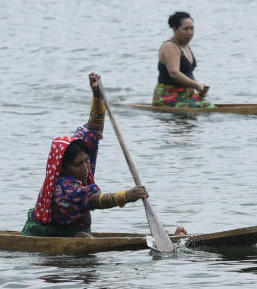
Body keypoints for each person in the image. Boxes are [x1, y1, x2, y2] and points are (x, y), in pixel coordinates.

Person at [23, 73, 187, 238]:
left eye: (87, 161)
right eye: (78, 165)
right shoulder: (63, 190)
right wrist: (126, 196)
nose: (85, 168)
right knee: (85, 239)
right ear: (63, 167)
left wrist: (97, 97)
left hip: (73, 232)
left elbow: (93, 129)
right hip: (49, 235)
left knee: (85, 237)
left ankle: (162, 237)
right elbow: (95, 200)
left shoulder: (81, 158)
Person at [153, 11, 214, 108]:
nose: (190, 33)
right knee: (209, 108)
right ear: (174, 29)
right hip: (167, 96)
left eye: (192, 29)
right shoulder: (170, 46)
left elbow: (188, 72)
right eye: (185, 29)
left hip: (185, 94)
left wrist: (199, 89)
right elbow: (174, 73)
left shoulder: (186, 46)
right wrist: (196, 85)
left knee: (208, 106)